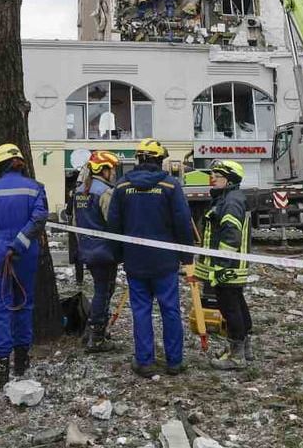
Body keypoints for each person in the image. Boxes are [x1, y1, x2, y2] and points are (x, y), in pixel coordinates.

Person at [105, 139, 195, 378]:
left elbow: (113, 225)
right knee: (170, 310)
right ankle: (174, 362)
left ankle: (144, 361)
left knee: (141, 311)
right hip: (165, 262)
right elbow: (183, 223)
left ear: (139, 159)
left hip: (135, 262)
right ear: (159, 160)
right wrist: (187, 256)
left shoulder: (122, 186)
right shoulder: (171, 185)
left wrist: (118, 256)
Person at [0, 143, 49, 388]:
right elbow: (38, 220)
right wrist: (19, 243)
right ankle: (22, 361)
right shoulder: (36, 189)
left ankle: (2, 369)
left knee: (1, 309)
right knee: (24, 305)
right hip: (25, 255)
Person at [193, 159, 253, 370]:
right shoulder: (228, 198)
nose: (212, 179)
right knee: (237, 304)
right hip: (230, 266)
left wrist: (220, 265)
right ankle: (243, 349)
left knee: (230, 309)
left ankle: (237, 357)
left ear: (228, 180)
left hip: (227, 267)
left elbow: (231, 236)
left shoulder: (231, 202)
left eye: (217, 177)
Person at [77, 151, 121, 353]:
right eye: (111, 169)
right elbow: (113, 223)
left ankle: (91, 329)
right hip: (105, 250)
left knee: (100, 289)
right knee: (104, 291)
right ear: (103, 170)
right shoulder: (104, 192)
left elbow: (75, 222)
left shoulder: (80, 190)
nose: (113, 173)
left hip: (87, 248)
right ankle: (97, 336)